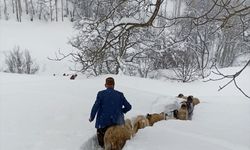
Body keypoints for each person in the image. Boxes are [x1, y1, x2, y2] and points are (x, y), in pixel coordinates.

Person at [89, 77, 132, 148]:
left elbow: (95, 106)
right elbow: (129, 107)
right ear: (114, 85)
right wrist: (122, 111)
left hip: (103, 124)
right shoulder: (120, 94)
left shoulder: (101, 94)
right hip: (118, 124)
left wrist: (92, 117)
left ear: (105, 85)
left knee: (103, 145)